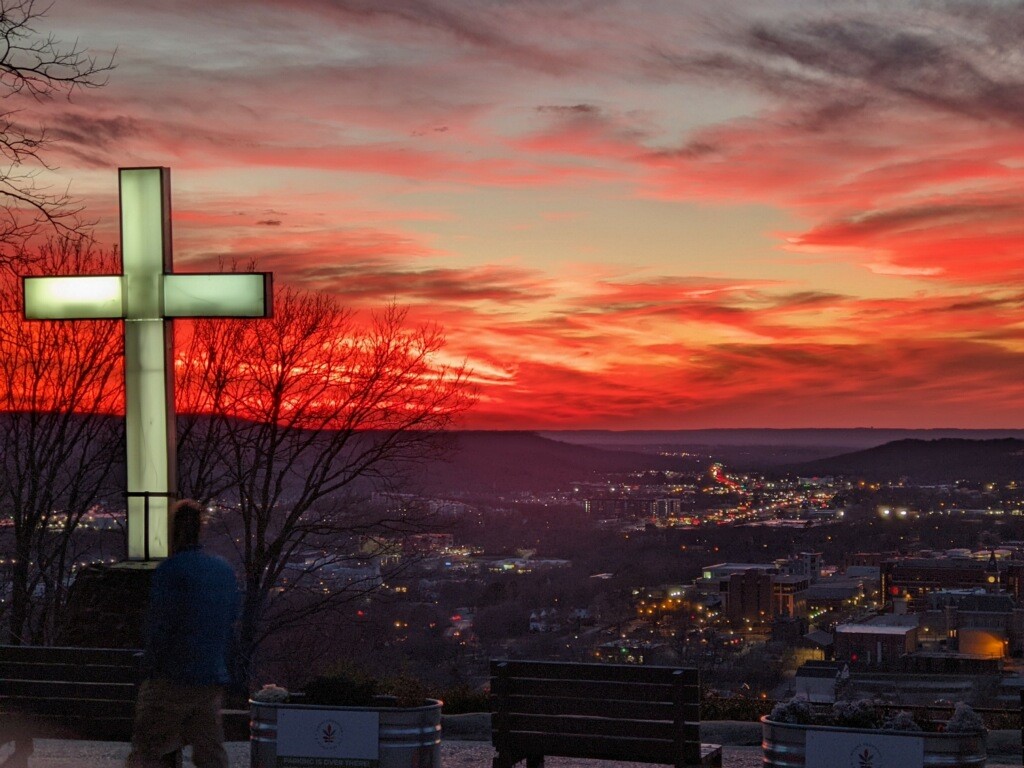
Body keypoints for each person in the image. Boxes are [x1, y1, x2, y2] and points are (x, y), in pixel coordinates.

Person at [127, 500, 240, 768]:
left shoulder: (170, 571)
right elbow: (231, 621)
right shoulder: (223, 571)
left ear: (172, 532)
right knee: (210, 752)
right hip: (210, 678)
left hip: (171, 679)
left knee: (147, 751)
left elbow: (160, 627)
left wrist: (150, 668)